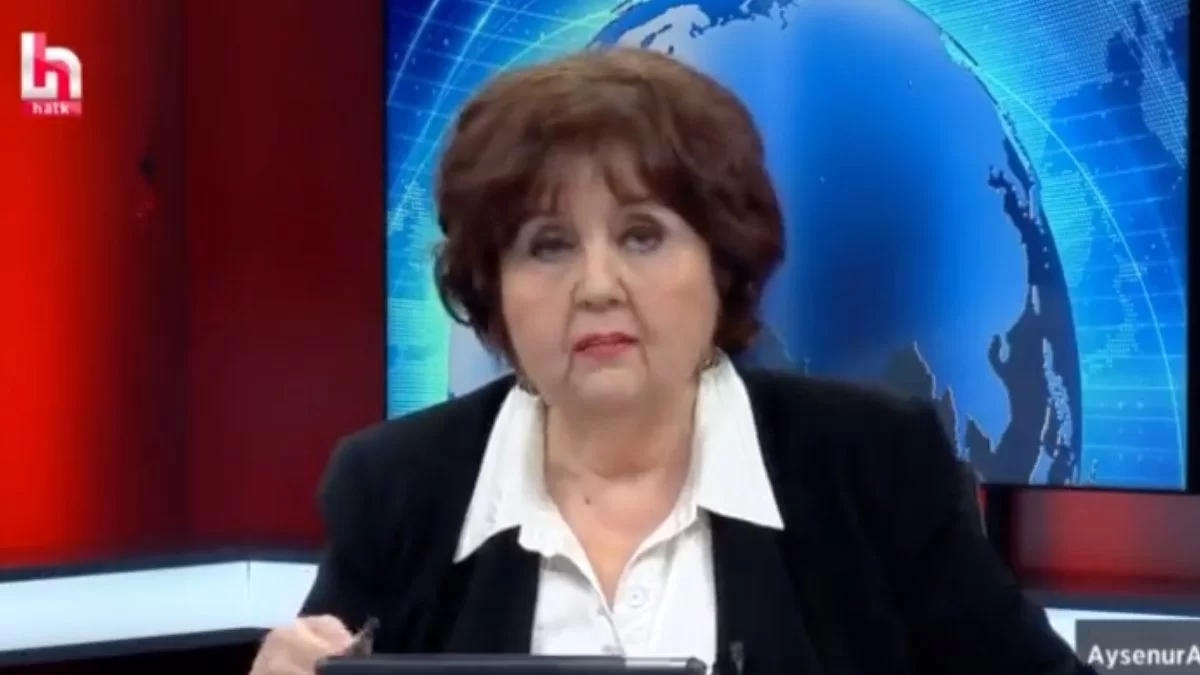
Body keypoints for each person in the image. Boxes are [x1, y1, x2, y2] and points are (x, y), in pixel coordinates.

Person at [251, 47, 1092, 675]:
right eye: (548, 245)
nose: (597, 286)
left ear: (721, 261)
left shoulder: (873, 466)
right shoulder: (398, 488)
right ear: (492, 286)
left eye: (642, 235)